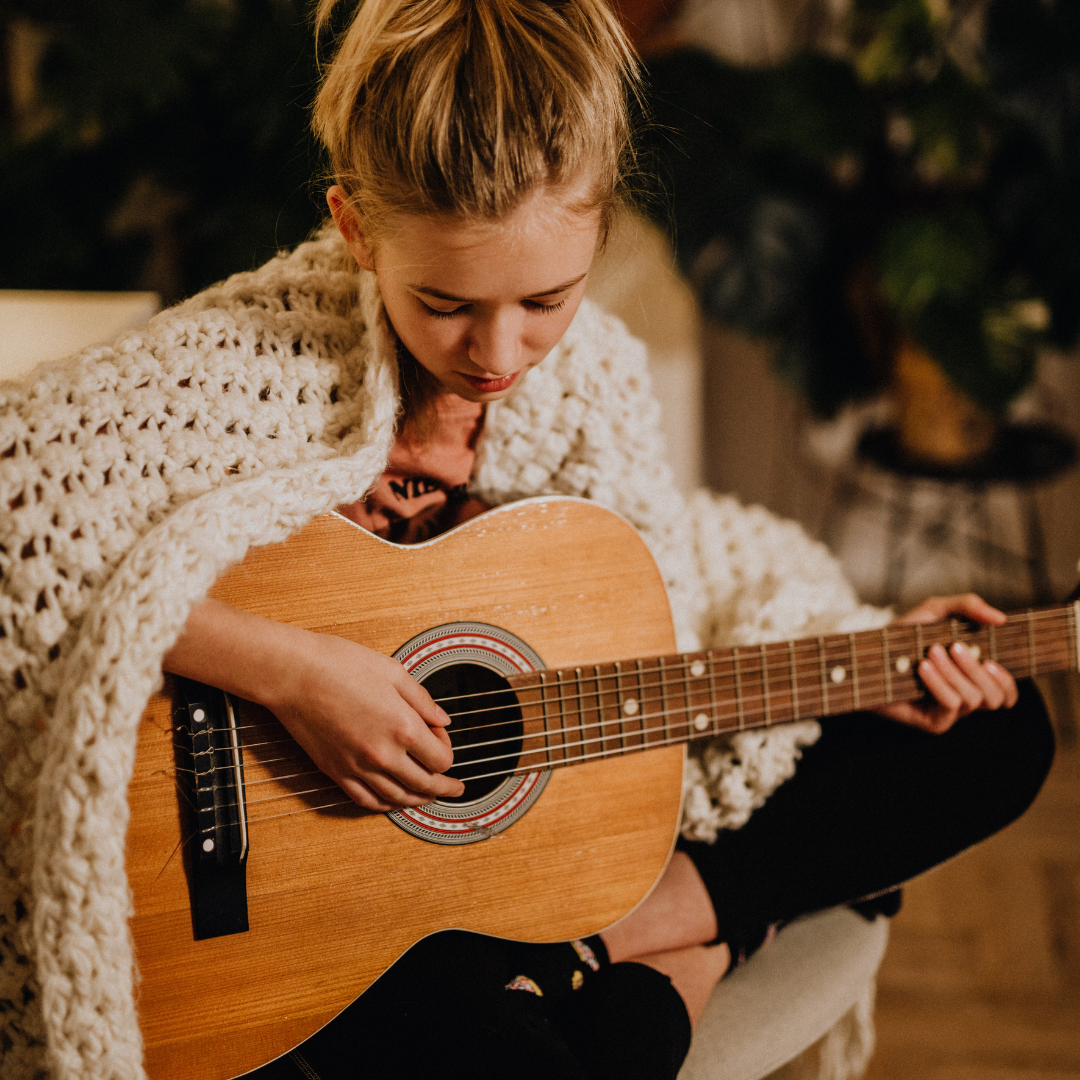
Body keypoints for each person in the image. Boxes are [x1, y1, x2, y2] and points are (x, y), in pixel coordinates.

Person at [0, 2, 1054, 1079]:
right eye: (446, 302)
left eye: (547, 297)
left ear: (599, 227)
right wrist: (298, 673)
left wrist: (852, 655)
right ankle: (698, 949)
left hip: (500, 858)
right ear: (356, 230)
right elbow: (14, 528)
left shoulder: (593, 379)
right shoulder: (244, 359)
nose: (500, 351)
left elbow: (642, 649)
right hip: (314, 892)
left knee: (1001, 732)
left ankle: (631, 938)